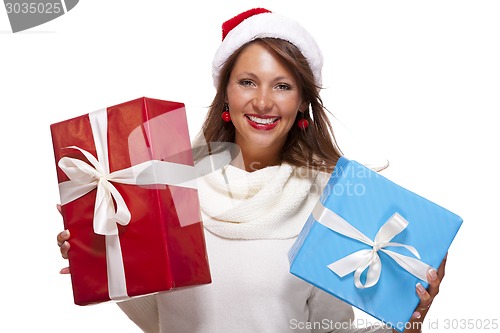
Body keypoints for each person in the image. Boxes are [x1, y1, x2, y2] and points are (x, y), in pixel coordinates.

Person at [56, 8, 446, 333]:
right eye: (247, 82)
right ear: (225, 91)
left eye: (282, 86)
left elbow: (330, 329)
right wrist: (100, 257)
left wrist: (409, 324)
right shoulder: (169, 181)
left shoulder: (330, 202)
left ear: (302, 101)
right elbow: (163, 320)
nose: (262, 102)